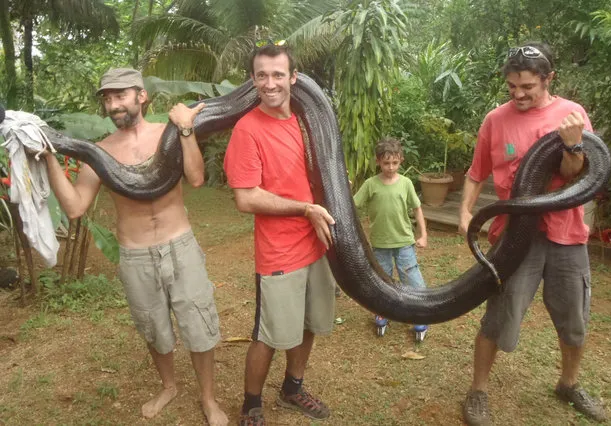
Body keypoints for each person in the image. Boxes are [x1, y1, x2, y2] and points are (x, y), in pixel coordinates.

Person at [42, 68, 228, 425]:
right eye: (108, 99)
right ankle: (169, 386)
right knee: (153, 327)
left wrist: (186, 128)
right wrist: (50, 156)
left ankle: (208, 399)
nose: (114, 105)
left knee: (198, 324)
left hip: (180, 244)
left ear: (141, 96)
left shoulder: (167, 134)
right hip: (135, 254)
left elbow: (196, 178)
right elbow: (76, 207)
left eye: (121, 95)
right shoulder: (100, 152)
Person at [458, 43, 607, 424]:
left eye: (527, 87)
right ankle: (477, 392)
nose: (519, 94)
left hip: (565, 232)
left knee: (574, 315)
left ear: (548, 79)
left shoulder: (572, 116)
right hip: (513, 235)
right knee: (500, 313)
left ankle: (569, 384)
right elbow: (477, 172)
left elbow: (576, 175)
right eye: (512, 87)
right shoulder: (496, 119)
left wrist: (573, 144)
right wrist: (464, 211)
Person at [223, 42, 337, 425]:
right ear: (253, 80)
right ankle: (251, 404)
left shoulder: (307, 122)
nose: (270, 83)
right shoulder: (247, 130)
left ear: (293, 78)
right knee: (268, 335)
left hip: (317, 245)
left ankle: (293, 387)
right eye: (262, 75)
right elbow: (246, 197)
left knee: (309, 323)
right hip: (279, 252)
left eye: (277, 74)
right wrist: (304, 208)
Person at [353, 137, 429, 337]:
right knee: (381, 280)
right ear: (378, 161)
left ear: (401, 160)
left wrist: (423, 234)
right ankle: (381, 312)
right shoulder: (370, 184)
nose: (390, 167)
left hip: (404, 241)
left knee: (411, 278)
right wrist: (345, 186)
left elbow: (417, 208)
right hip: (380, 244)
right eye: (386, 163)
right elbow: (353, 205)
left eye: (394, 163)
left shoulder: (405, 183)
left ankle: (420, 314)